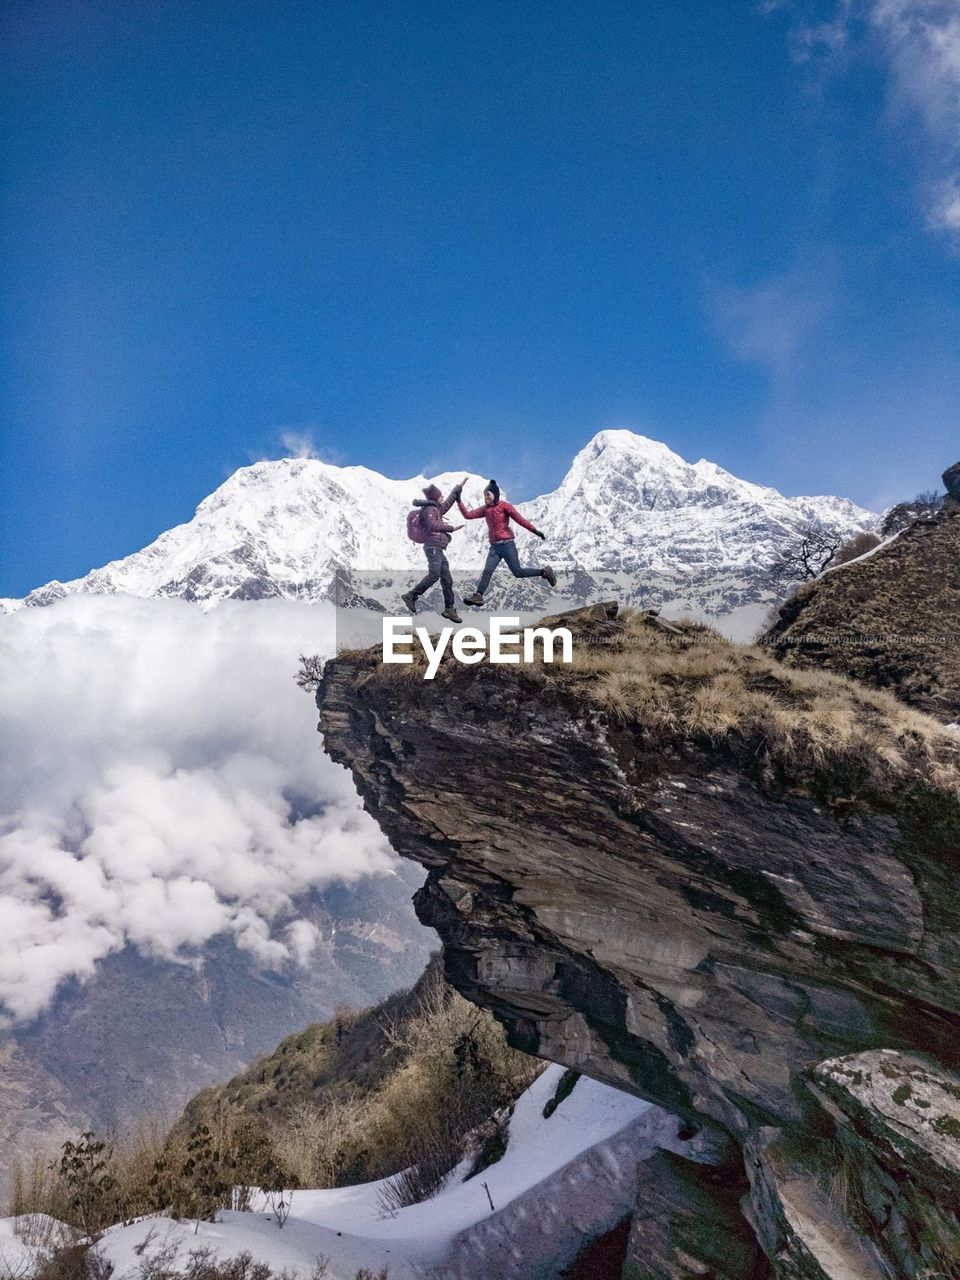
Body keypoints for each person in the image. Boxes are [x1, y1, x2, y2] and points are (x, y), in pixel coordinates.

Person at [458, 479, 556, 607]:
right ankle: (478, 596)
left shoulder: (504, 506)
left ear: (495, 494)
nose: (486, 497)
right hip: (494, 548)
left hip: (507, 545)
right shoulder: (485, 510)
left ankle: (544, 572)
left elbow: (520, 520)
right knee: (487, 571)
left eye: (488, 494)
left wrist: (535, 531)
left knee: (518, 572)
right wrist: (458, 499)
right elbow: (468, 515)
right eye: (484, 495)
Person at [401, 482, 464, 623]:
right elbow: (431, 525)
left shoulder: (436, 508)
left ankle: (449, 609)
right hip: (433, 547)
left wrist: (457, 488)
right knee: (434, 575)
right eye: (440, 495)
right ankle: (411, 596)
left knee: (447, 579)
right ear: (435, 498)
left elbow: (447, 504)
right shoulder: (429, 510)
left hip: (439, 548)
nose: (442, 497)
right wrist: (451, 528)